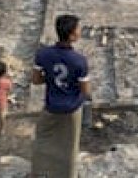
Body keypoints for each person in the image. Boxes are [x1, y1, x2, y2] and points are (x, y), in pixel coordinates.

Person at [31, 15, 90, 178]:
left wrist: (50, 78)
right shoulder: (80, 61)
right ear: (71, 35)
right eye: (78, 29)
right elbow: (85, 91)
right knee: (70, 147)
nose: (80, 32)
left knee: (42, 139)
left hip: (51, 106)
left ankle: (38, 172)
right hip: (71, 109)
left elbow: (36, 80)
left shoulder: (43, 54)